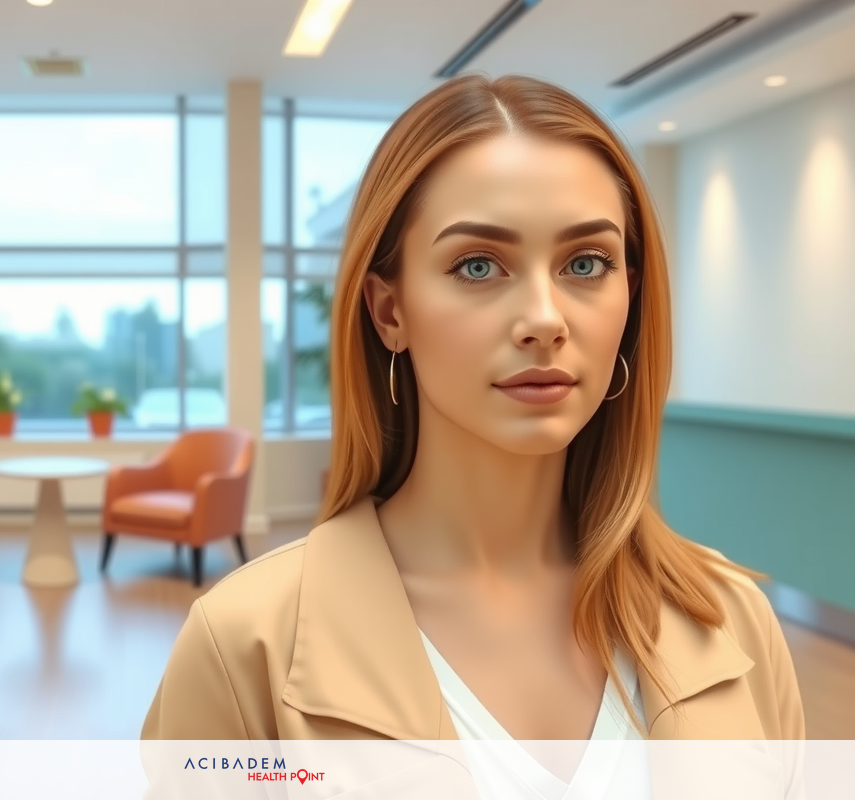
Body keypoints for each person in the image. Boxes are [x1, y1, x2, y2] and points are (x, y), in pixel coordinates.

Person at [141, 73, 804, 791]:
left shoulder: (734, 618)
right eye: (478, 266)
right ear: (389, 311)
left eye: (586, 263)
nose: (545, 319)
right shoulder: (243, 643)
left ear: (630, 296)